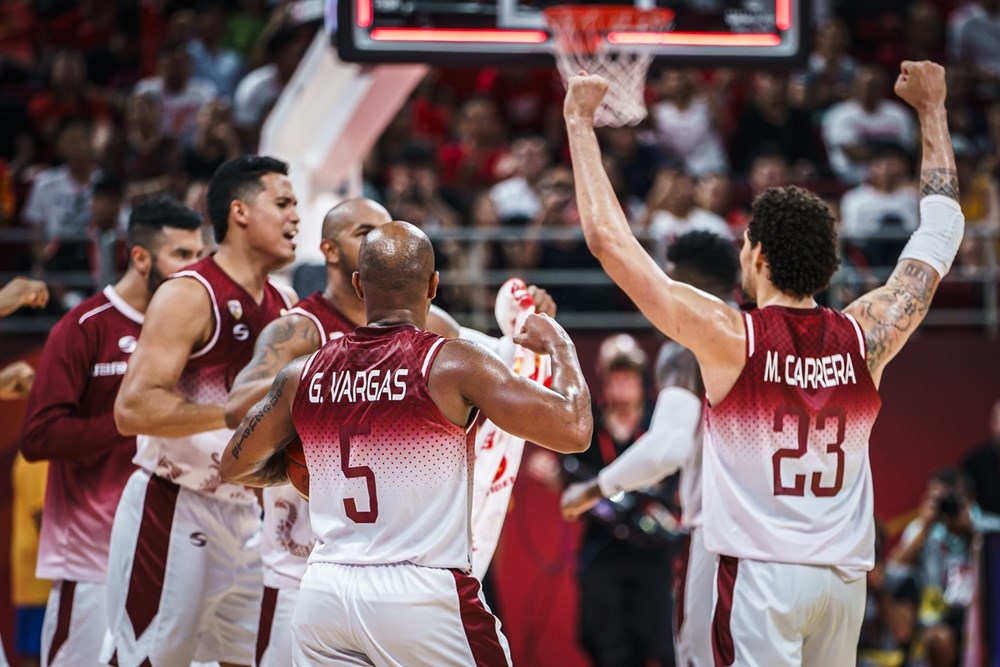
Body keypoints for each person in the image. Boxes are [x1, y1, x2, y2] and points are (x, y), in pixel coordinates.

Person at [563, 60, 964, 665]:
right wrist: (933, 111)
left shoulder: (731, 338)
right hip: (841, 581)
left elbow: (609, 243)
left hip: (758, 577)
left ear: (758, 256)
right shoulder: (867, 335)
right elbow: (941, 232)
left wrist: (578, 122)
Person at [219, 220, 593, 666]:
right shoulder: (452, 362)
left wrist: (314, 470)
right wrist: (560, 343)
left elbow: (234, 465)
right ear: (434, 285)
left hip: (324, 592)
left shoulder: (302, 373)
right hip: (418, 595)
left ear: (359, 286)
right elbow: (574, 430)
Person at [108, 155, 300, 667]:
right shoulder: (190, 293)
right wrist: (234, 413)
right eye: (282, 203)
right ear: (239, 212)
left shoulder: (286, 303)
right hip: (174, 503)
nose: (295, 217)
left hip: (247, 516)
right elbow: (132, 408)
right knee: (148, 660)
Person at [19, 196, 204, 666]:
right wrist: (132, 420)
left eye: (200, 255)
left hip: (176, 550)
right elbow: (38, 437)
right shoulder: (83, 327)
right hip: (92, 557)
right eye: (182, 255)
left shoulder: (201, 331)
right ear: (140, 257)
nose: (197, 268)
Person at [561, 230, 740, 667]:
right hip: (797, 538)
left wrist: (593, 489)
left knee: (692, 656)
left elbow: (666, 452)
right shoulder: (765, 337)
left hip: (717, 543)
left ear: (679, 282)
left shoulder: (686, 349)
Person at [560, 332, 677, 667]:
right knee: (605, 644)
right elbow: (570, 477)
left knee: (660, 644)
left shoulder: (661, 422)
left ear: (643, 380)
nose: (624, 386)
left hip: (653, 555)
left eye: (630, 377)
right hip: (602, 553)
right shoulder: (586, 425)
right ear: (604, 379)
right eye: (617, 377)